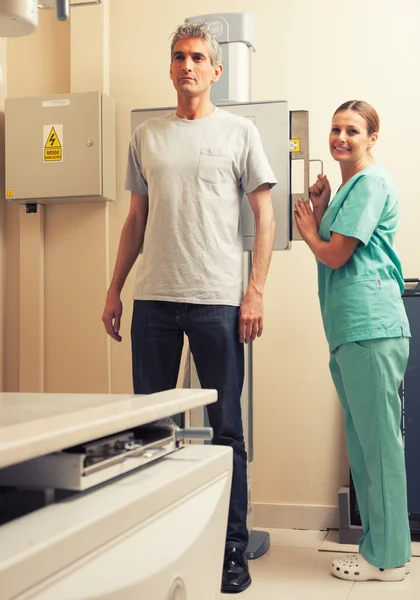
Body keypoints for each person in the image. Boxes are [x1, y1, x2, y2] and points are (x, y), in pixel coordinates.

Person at [102, 22, 276, 594]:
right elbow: (136, 220)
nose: (188, 66)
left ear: (215, 69)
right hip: (154, 299)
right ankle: (161, 543)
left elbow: (265, 217)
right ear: (170, 66)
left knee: (226, 431)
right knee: (151, 430)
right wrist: (114, 290)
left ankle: (231, 551)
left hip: (217, 301)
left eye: (199, 57)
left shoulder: (240, 132)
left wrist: (254, 291)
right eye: (179, 57)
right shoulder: (147, 136)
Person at [295, 100, 411, 582]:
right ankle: (377, 550)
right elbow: (337, 246)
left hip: (371, 327)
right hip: (351, 330)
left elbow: (337, 255)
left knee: (379, 446)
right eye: (336, 129)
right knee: (365, 447)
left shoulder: (371, 182)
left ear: (372, 137)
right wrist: (321, 210)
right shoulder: (348, 189)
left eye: (353, 130)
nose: (340, 138)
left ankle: (387, 558)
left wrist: (307, 231)